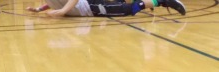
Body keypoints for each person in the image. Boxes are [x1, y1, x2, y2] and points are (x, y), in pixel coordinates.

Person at [26, 0, 186, 17]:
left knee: (127, 9)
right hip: (90, 6)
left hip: (91, 7)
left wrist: (62, 11)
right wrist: (40, 9)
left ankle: (163, 1)